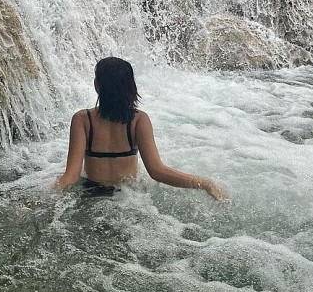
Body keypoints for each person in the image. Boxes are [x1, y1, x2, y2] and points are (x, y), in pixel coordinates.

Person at [55, 57, 225, 200]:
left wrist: (45, 196)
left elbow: (71, 177)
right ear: (130, 86)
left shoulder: (82, 119)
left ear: (97, 86)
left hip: (91, 194)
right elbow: (157, 171)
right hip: (128, 196)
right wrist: (203, 183)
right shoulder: (138, 120)